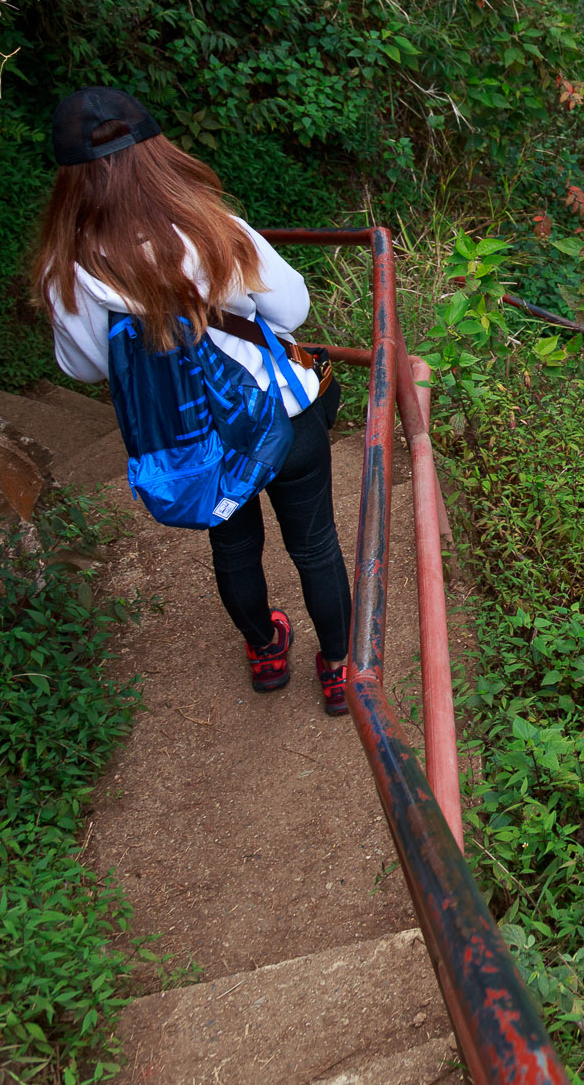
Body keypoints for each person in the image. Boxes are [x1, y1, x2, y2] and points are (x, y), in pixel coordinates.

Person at [32, 88, 353, 715]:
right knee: (315, 544)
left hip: (191, 437)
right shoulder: (213, 229)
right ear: (156, 151)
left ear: (68, 178)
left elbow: (84, 366)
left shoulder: (67, 271)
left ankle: (266, 648)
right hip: (278, 417)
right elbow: (293, 310)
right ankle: (339, 670)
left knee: (232, 545)